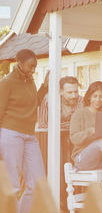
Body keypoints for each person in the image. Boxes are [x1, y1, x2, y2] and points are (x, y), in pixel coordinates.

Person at [0, 49, 47, 213]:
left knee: (38, 182)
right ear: (19, 63)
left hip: (30, 135)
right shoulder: (7, 82)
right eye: (30, 66)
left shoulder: (30, 82)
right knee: (12, 185)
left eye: (35, 66)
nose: (33, 69)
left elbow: (34, 103)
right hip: (10, 134)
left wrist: (45, 87)